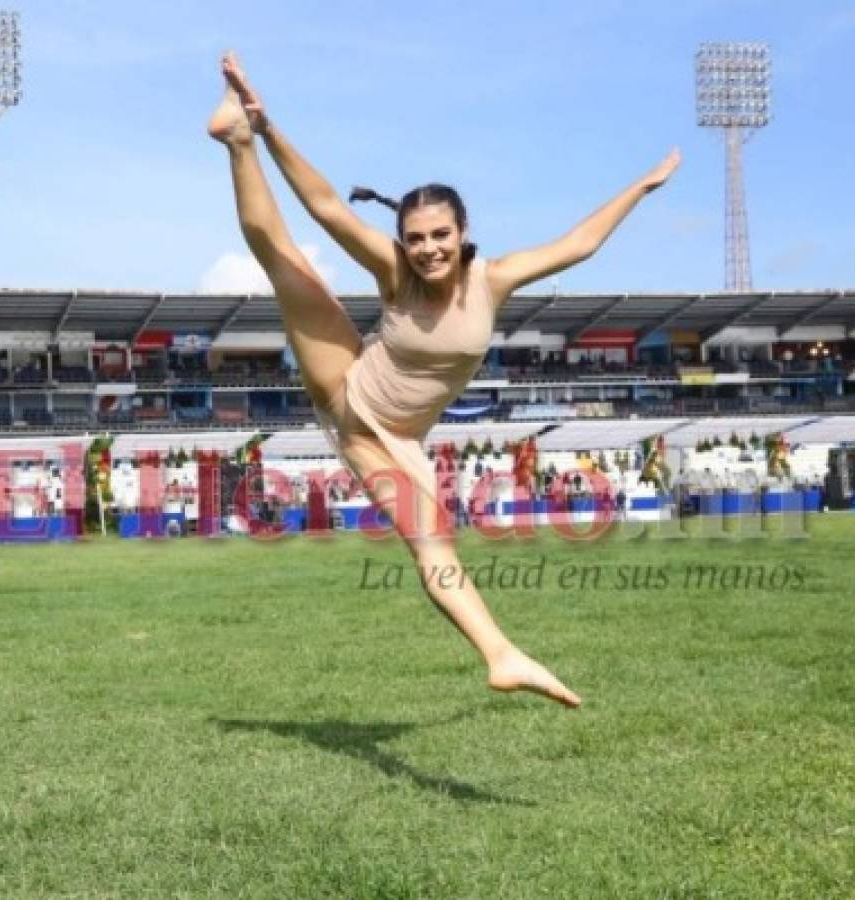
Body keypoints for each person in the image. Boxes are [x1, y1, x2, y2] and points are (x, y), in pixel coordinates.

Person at [208, 52, 679, 707]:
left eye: (439, 235)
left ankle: (502, 654)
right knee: (284, 259)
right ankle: (500, 654)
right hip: (352, 402)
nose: (427, 247)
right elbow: (324, 206)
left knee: (436, 540)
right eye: (415, 237)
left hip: (405, 439)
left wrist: (640, 188)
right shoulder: (395, 271)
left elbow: (578, 245)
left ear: (462, 235)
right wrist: (266, 128)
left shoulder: (494, 279)